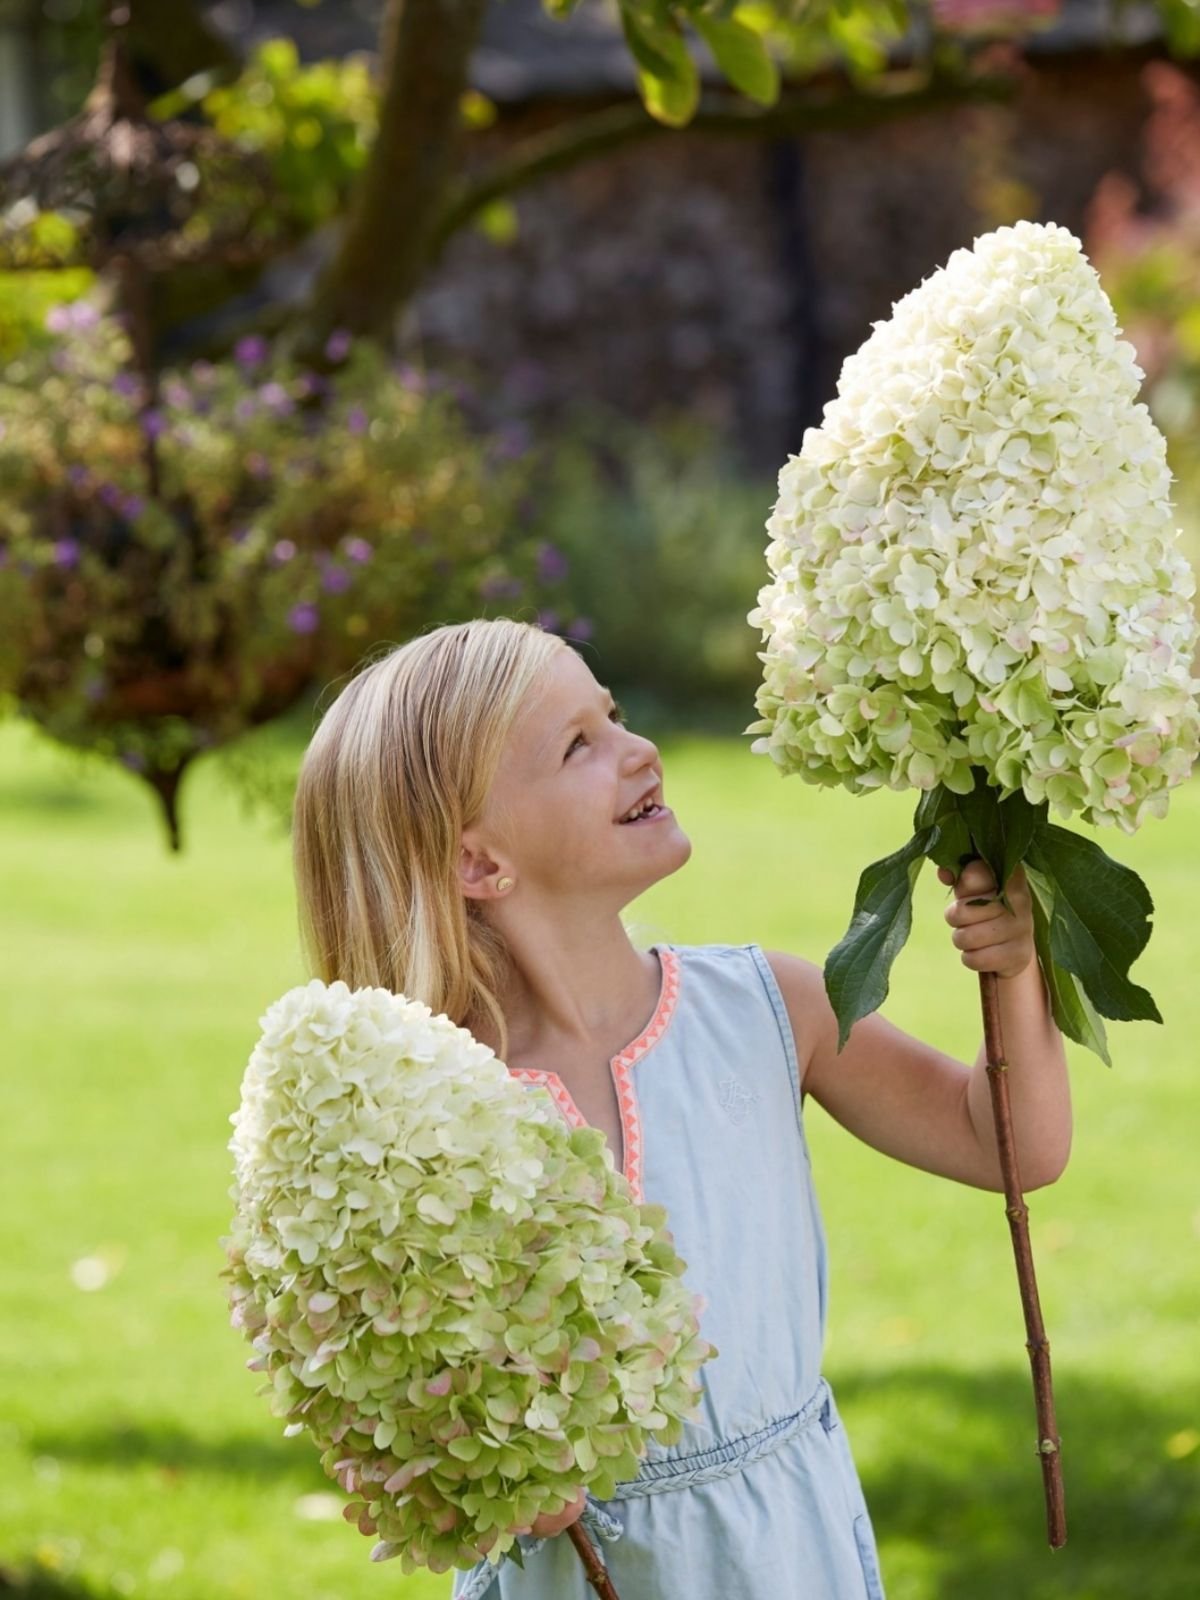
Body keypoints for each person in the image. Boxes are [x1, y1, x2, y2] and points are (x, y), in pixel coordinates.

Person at [291, 616, 1072, 1600]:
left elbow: (1012, 1146)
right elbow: (407, 1400)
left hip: (789, 1554)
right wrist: (490, 1482)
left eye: (611, 715)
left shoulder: (769, 1007)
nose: (638, 749)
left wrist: (1017, 977)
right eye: (579, 744)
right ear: (478, 862)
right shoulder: (441, 1118)